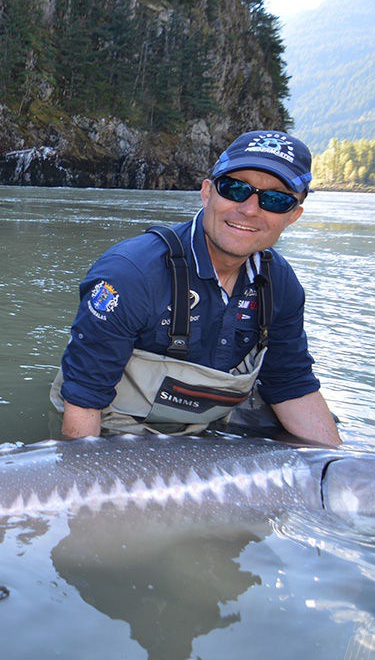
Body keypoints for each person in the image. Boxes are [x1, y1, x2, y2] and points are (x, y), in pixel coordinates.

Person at [50, 130, 341, 447]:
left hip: (205, 423)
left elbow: (291, 384)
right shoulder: (130, 273)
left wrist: (337, 461)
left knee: (320, 431)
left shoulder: (280, 285)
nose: (250, 209)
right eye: (235, 189)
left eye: (275, 200)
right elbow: (85, 397)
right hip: (117, 427)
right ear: (207, 193)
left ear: (292, 216)